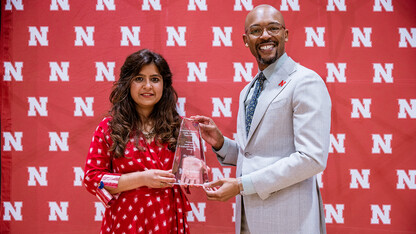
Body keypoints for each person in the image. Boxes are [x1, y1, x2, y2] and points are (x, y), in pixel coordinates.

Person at [193, 4, 331, 234]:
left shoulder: (306, 82)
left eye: (273, 28)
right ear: (246, 40)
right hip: (249, 218)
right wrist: (220, 143)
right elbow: (256, 155)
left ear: (285, 34)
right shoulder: (248, 90)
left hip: (290, 221)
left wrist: (240, 185)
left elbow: (311, 158)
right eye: (256, 30)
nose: (265, 35)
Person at [83, 49, 191, 233]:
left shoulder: (179, 127)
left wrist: (195, 171)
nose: (147, 86)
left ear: (164, 85)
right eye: (139, 79)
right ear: (127, 84)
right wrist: (142, 178)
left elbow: (186, 174)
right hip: (126, 222)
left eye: (155, 79)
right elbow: (92, 179)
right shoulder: (109, 128)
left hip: (167, 220)